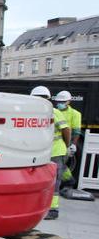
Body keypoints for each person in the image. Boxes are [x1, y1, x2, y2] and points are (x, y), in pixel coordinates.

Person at [31, 86, 70, 220]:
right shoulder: (34, 112)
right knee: (46, 181)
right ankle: (40, 207)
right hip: (43, 152)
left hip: (54, 152)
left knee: (54, 181)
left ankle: (53, 210)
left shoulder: (53, 112)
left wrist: (66, 145)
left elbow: (66, 130)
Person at [53, 90, 83, 186]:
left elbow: (76, 131)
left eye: (63, 102)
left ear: (69, 101)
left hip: (64, 143)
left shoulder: (75, 114)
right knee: (60, 165)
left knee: (59, 165)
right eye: (59, 102)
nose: (60, 104)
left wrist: (73, 145)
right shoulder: (54, 111)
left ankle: (68, 181)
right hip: (55, 144)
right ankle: (69, 181)